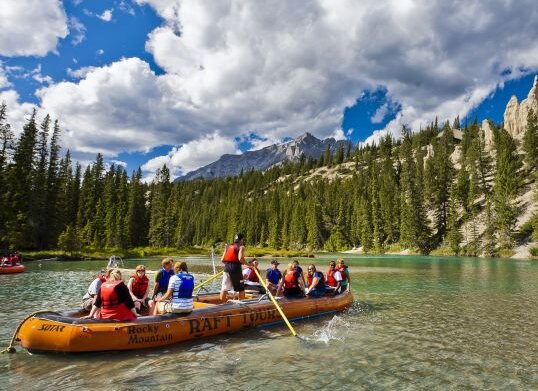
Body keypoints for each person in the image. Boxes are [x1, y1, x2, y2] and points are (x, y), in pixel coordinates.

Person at [220, 233, 249, 302]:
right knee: (241, 289)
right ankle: (241, 306)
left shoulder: (228, 247)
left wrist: (229, 264)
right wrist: (248, 265)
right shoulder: (241, 247)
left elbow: (222, 259)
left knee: (224, 288)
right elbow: (240, 258)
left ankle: (223, 304)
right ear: (241, 239)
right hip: (236, 269)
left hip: (226, 269)